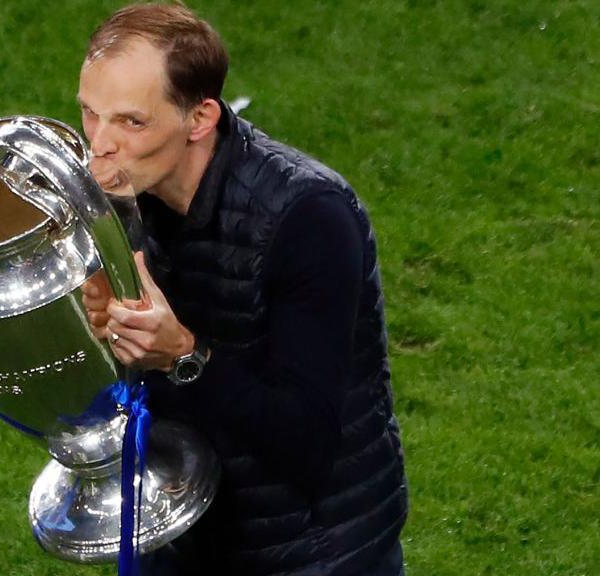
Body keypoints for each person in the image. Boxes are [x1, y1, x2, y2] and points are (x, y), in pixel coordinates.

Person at [77, 3, 408, 575]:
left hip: (314, 551)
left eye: (131, 122)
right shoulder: (117, 198)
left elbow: (305, 440)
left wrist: (182, 355)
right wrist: (103, 335)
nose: (100, 145)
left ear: (199, 118)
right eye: (89, 114)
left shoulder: (308, 219)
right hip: (180, 537)